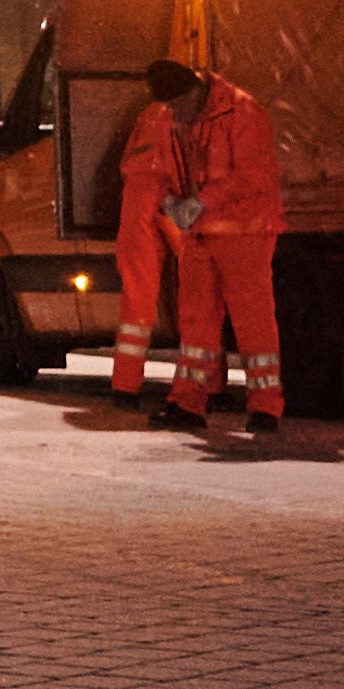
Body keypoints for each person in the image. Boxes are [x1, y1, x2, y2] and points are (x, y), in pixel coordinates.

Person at [149, 55, 289, 437]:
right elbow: (160, 171)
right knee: (195, 321)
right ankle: (188, 403)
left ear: (195, 89)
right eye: (170, 107)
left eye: (179, 104)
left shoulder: (242, 111)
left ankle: (265, 407)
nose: (176, 113)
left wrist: (200, 201)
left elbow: (253, 176)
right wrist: (169, 202)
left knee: (252, 320)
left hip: (244, 230)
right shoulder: (171, 118)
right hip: (199, 232)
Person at [105, 87, 185, 403]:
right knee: (201, 294)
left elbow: (129, 160)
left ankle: (125, 386)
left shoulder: (150, 113)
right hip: (172, 199)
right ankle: (205, 385)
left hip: (136, 203)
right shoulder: (191, 113)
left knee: (137, 304)